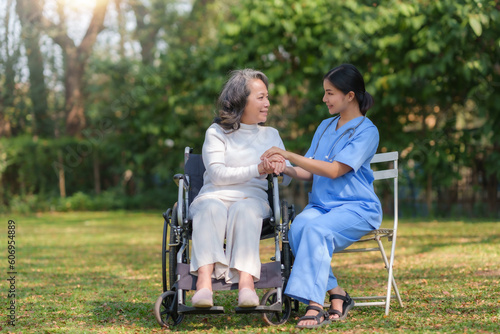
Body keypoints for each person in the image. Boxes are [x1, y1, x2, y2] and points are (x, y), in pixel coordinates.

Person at [261, 64, 382, 329]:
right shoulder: (326, 126)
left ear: (350, 95)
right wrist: (284, 166)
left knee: (315, 229)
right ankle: (337, 293)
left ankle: (314, 305)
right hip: (323, 207)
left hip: (356, 209)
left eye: (330, 93)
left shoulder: (367, 131)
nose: (324, 99)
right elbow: (310, 171)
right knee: (298, 229)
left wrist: (290, 153)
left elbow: (334, 170)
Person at [189, 69, 291, 308]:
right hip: (213, 196)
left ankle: (247, 284)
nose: (267, 103)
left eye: (267, 97)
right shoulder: (216, 133)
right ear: (240, 101)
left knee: (244, 210)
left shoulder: (271, 135)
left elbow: (286, 179)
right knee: (211, 207)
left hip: (253, 201)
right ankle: (203, 283)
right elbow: (217, 174)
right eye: (261, 97)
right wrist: (258, 168)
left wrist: (281, 168)